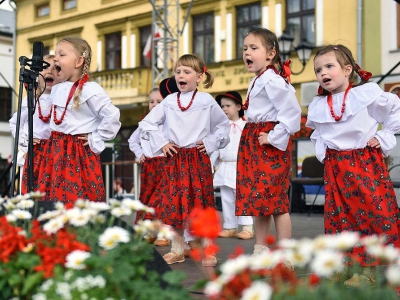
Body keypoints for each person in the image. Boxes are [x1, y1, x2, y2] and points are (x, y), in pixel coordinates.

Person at [306, 44, 400, 286]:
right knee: (340, 216)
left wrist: (383, 136)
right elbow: (317, 133)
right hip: (336, 167)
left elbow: (395, 110)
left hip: (365, 162)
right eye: (318, 70)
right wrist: (324, 152)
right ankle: (345, 265)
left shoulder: (365, 94)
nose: (322, 73)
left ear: (347, 69)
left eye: (329, 66)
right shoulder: (319, 104)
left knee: (374, 214)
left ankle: (374, 271)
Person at [139, 54, 230, 267]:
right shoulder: (170, 101)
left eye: (186, 72)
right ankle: (177, 249)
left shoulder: (206, 101)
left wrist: (209, 142)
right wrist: (162, 143)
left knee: (201, 204)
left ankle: (208, 249)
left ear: (199, 77)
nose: (181, 75)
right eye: (178, 71)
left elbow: (223, 126)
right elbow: (147, 123)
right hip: (175, 158)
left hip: (197, 158)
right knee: (174, 204)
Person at [236, 28, 301, 261]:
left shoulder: (273, 80)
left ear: (271, 54)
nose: (247, 53)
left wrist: (272, 136)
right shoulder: (257, 79)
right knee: (258, 200)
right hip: (254, 142)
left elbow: (292, 113)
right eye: (245, 48)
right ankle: (261, 250)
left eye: (254, 48)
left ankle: (286, 254)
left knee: (277, 201)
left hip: (269, 145)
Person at [37, 36, 121, 203]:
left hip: (77, 153)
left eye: (61, 55)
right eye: (55, 55)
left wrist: (94, 137)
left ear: (78, 61)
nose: (55, 58)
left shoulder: (91, 90)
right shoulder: (56, 90)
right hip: (55, 151)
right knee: (52, 201)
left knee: (77, 201)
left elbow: (112, 116)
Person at [9, 54, 58, 194]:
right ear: (37, 74)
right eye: (45, 67)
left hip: (55, 153)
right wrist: (25, 141)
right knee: (32, 190)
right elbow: (15, 124)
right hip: (35, 152)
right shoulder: (30, 99)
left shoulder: (62, 98)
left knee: (51, 192)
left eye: (55, 68)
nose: (50, 71)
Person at [128, 86, 171, 247]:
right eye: (151, 101)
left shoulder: (169, 123)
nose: (154, 104)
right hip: (149, 166)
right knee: (147, 199)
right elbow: (132, 141)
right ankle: (148, 232)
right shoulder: (144, 123)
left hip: (165, 164)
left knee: (162, 200)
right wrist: (140, 154)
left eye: (159, 101)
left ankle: (163, 233)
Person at [211, 91, 254, 240]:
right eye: (222, 106)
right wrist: (211, 164)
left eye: (228, 105)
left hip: (240, 166)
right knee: (226, 197)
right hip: (224, 165)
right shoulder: (220, 127)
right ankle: (230, 226)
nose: (224, 109)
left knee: (242, 196)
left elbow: (251, 147)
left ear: (238, 107)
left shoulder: (246, 125)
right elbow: (215, 147)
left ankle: (247, 227)